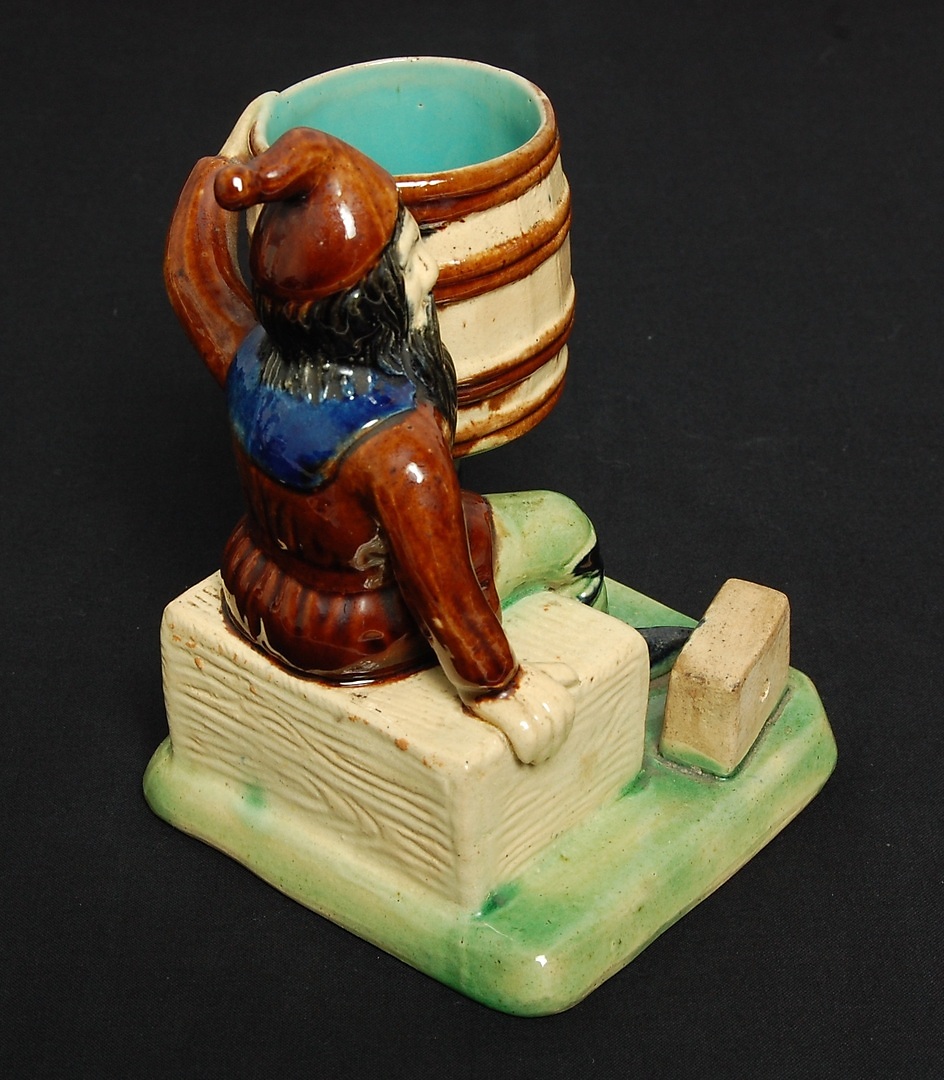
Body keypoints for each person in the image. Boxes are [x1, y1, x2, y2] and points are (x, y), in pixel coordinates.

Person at [164, 125, 605, 764]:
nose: (430, 270)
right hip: (361, 627)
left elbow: (190, 273)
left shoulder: (250, 354)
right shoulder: (398, 445)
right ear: (369, 304)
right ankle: (587, 650)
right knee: (561, 526)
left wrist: (227, 171)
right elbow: (439, 586)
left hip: (255, 580)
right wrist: (499, 685)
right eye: (411, 256)